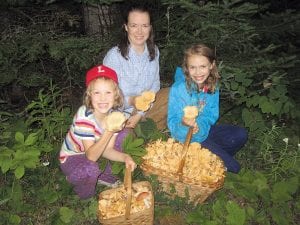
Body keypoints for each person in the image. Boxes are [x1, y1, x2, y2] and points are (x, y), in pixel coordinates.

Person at [59, 65, 136, 199]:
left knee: (124, 134)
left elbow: (107, 150)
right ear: (89, 95)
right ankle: (79, 188)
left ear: (116, 94)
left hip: (95, 151)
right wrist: (109, 131)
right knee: (91, 168)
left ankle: (104, 177)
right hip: (73, 158)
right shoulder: (85, 116)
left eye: (108, 92)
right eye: (97, 93)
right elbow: (91, 156)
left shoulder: (114, 114)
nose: (102, 98)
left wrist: (125, 157)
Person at [167, 44, 248, 173]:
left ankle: (207, 159)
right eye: (192, 67)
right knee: (234, 167)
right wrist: (184, 123)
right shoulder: (179, 89)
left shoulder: (212, 86)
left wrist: (200, 126)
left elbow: (210, 115)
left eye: (203, 66)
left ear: (211, 65)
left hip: (204, 133)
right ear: (187, 68)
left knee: (240, 134)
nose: (198, 73)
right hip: (184, 139)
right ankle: (206, 159)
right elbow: (173, 124)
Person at [103, 3, 168, 130]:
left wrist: (139, 113)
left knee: (171, 94)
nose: (139, 31)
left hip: (145, 110)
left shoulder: (154, 51)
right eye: (134, 26)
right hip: (119, 115)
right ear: (126, 27)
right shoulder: (113, 57)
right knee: (125, 138)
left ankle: (144, 129)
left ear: (150, 27)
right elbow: (106, 99)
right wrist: (131, 100)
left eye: (144, 26)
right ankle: (136, 133)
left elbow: (155, 86)